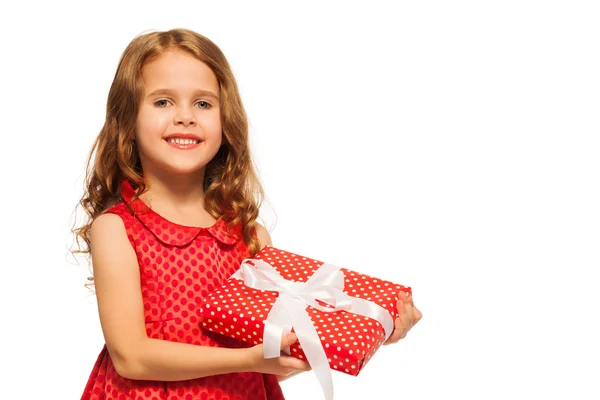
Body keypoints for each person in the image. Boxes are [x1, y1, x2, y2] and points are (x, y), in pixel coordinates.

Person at [73, 28, 421, 400]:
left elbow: (268, 364)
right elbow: (132, 358)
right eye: (163, 102)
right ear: (127, 121)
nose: (185, 117)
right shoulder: (118, 229)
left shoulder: (249, 236)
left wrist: (373, 329)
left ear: (226, 123)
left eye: (203, 104)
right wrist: (252, 359)